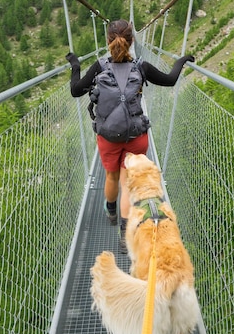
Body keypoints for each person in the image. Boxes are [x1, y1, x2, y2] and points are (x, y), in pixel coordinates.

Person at [66, 19, 194, 252]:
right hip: (136, 136)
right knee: (128, 184)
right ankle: (125, 236)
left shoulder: (99, 67)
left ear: (108, 41)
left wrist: (75, 64)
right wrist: (180, 61)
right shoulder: (141, 67)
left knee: (112, 177)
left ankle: (111, 211)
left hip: (108, 137)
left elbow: (76, 91)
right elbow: (171, 79)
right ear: (132, 41)